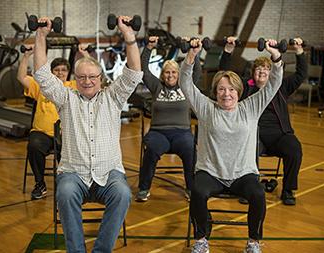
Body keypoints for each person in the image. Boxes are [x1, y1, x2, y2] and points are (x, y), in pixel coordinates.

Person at [32, 16, 142, 252]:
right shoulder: (66, 99)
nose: (87, 81)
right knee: (65, 191)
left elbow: (133, 73)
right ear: (75, 79)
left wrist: (128, 35)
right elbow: (41, 73)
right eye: (81, 77)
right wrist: (41, 35)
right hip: (74, 173)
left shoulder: (113, 97)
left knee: (123, 193)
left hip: (108, 174)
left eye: (92, 77)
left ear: (100, 79)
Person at [180, 38, 283, 253]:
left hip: (243, 173)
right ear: (216, 91)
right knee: (197, 191)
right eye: (221, 90)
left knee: (258, 194)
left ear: (238, 91)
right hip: (211, 172)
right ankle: (200, 240)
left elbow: (274, 83)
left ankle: (253, 242)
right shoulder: (206, 108)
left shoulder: (251, 107)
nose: (226, 94)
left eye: (231, 90)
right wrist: (191, 56)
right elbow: (185, 83)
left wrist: (276, 57)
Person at [219, 37, 307, 205]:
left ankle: (288, 190)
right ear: (253, 73)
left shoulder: (281, 86)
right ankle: (249, 188)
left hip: (279, 135)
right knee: (248, 149)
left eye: (266, 70)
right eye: (259, 69)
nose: (262, 72)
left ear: (271, 73)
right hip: (254, 135)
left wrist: (299, 51)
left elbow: (301, 74)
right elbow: (225, 73)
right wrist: (228, 50)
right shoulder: (245, 88)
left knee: (294, 149)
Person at [135, 36, 201, 202]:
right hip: (159, 133)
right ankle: (144, 188)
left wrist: (195, 52)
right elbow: (144, 69)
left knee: (190, 150)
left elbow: (197, 71)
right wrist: (149, 48)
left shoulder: (186, 86)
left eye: (173, 72)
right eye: (167, 72)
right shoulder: (157, 86)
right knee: (151, 150)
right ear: (162, 75)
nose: (170, 75)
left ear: (178, 74)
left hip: (182, 133)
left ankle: (191, 188)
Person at [17, 47, 76, 200]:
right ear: (51, 73)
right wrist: (26, 56)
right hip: (42, 133)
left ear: (68, 73)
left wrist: (85, 55)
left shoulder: (74, 87)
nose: (60, 72)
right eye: (56, 70)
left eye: (64, 70)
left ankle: (69, 187)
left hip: (66, 134)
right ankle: (40, 184)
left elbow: (96, 78)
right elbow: (22, 77)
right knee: (34, 145)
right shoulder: (42, 87)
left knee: (74, 151)